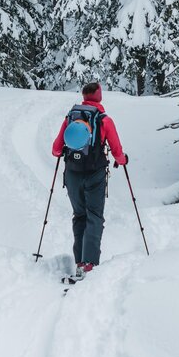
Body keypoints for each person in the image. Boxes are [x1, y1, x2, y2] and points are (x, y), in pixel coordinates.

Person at [51, 82, 127, 278]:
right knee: (94, 216)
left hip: (73, 173)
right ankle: (89, 263)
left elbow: (56, 149)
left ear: (83, 96)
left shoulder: (71, 117)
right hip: (95, 173)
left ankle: (79, 262)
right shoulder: (104, 120)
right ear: (99, 96)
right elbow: (117, 150)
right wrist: (122, 160)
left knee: (80, 215)